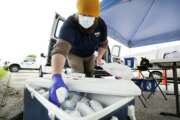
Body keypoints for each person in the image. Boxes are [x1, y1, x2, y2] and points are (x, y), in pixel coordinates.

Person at [49, 0, 108, 107]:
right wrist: (56, 76)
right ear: (77, 12)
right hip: (74, 54)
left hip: (90, 54)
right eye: (82, 14)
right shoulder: (69, 24)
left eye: (90, 15)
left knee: (90, 73)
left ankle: (89, 97)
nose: (86, 17)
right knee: (78, 74)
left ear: (96, 16)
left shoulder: (101, 24)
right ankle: (77, 97)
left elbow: (103, 44)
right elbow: (60, 48)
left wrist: (99, 57)